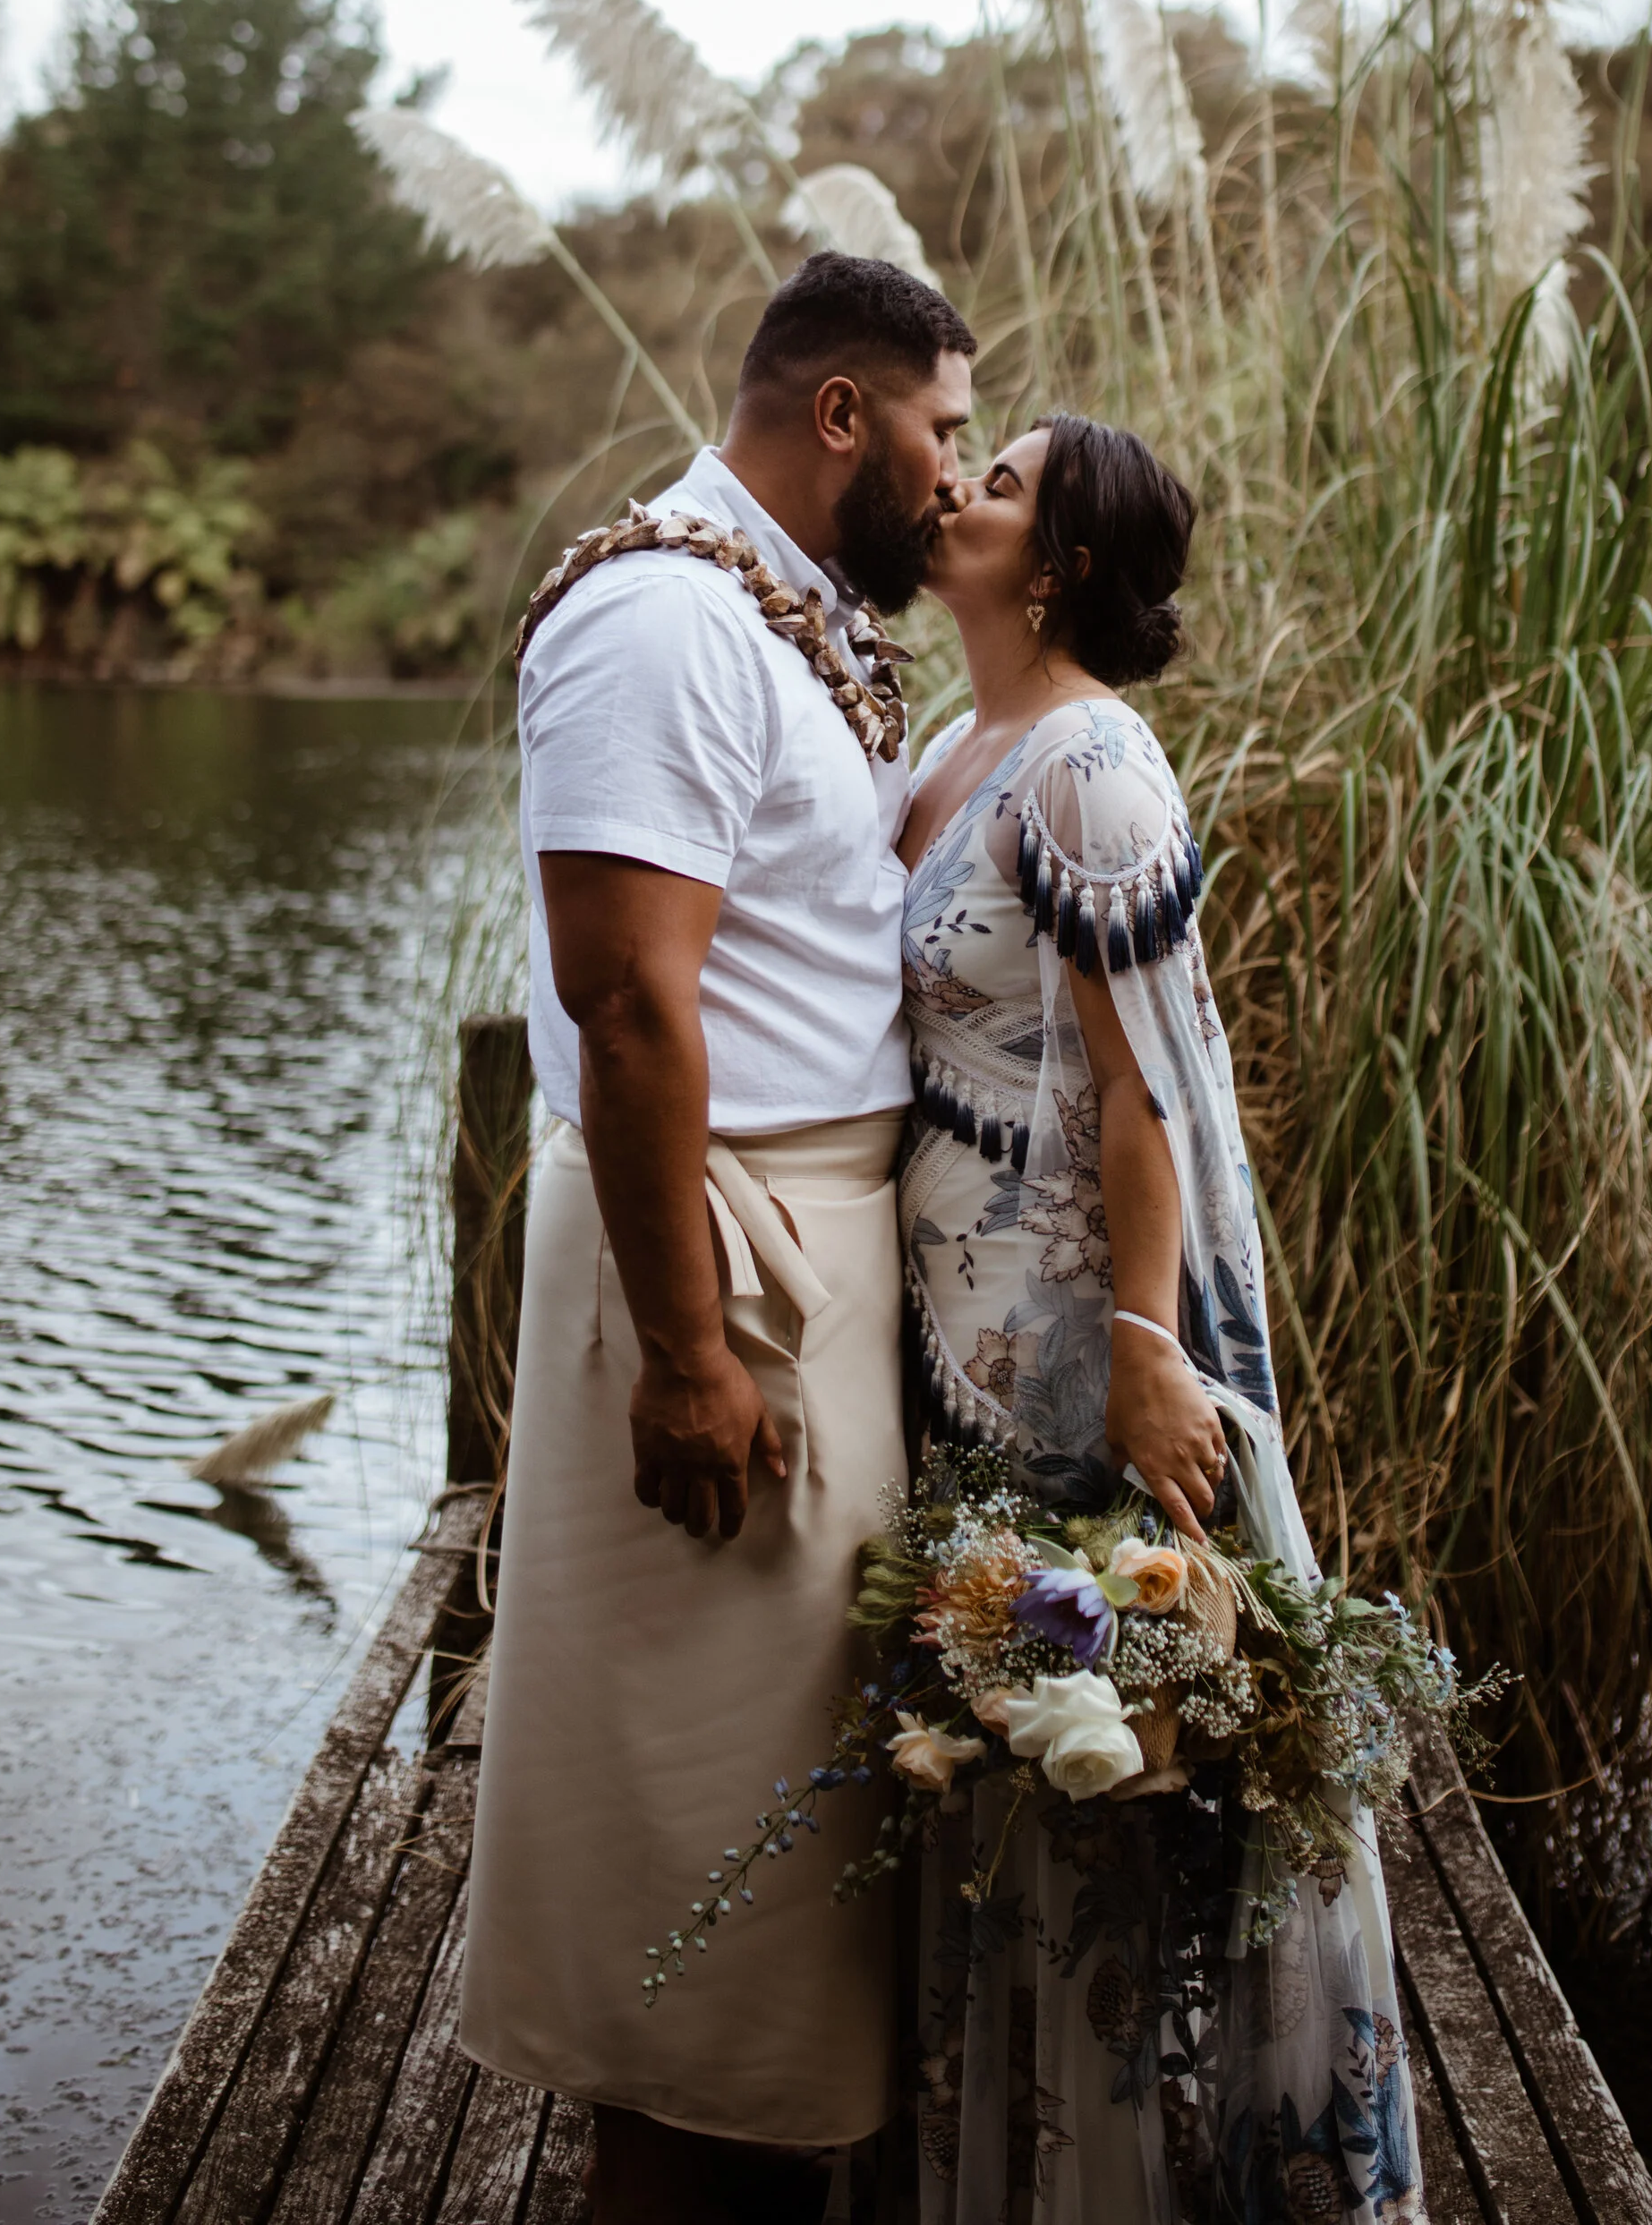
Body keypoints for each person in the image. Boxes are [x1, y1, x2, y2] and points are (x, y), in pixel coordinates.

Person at [459, 251, 977, 2225]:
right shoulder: (664, 620)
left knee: (775, 1858)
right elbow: (626, 1002)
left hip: (802, 1253)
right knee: (706, 1867)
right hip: (720, 1268)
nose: (952, 474)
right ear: (835, 414)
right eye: (935, 430)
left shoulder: (792, 616)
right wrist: (687, 1355)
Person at [898, 413, 1425, 2223]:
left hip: (1064, 1366)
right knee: (1018, 1761)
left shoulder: (1090, 766)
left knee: (1115, 1768)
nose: (957, 484)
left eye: (1001, 479)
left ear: (1054, 563)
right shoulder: (951, 742)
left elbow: (1148, 1090)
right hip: (953, 1367)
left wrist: (1141, 1350)